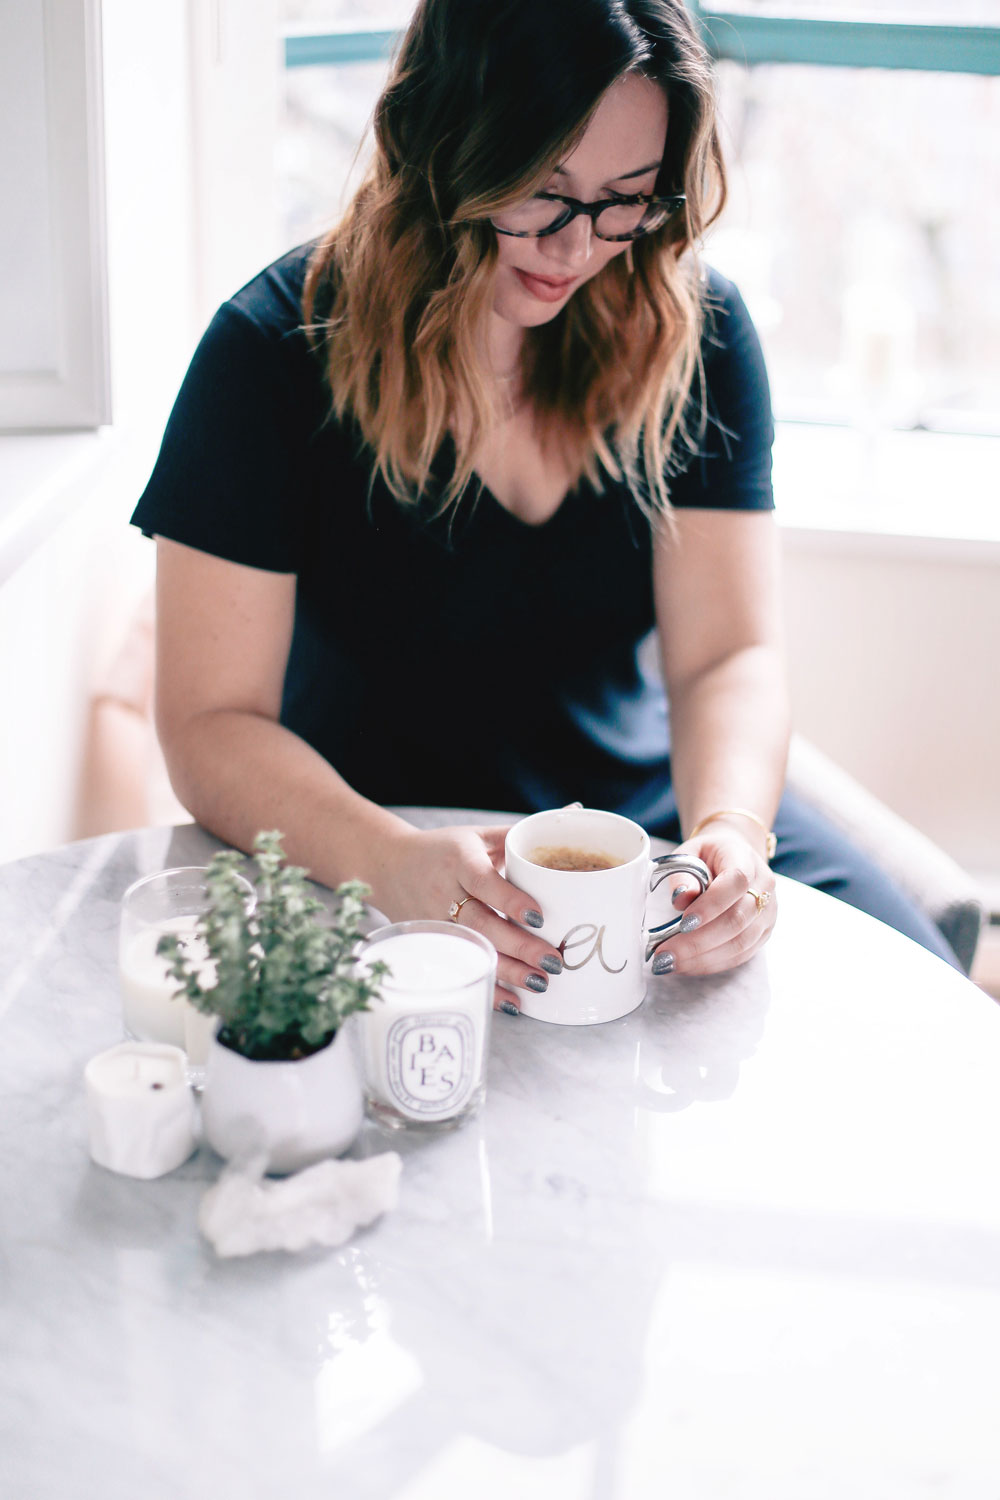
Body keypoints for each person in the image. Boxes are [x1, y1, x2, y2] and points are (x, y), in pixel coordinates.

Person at [132, 0, 959, 1011]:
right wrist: (387, 861)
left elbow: (724, 656)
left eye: (626, 201)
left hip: (644, 820)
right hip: (382, 830)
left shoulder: (694, 330)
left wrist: (733, 832)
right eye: (544, 194)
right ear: (443, 141)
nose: (578, 249)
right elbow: (208, 725)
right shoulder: (272, 353)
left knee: (927, 997)